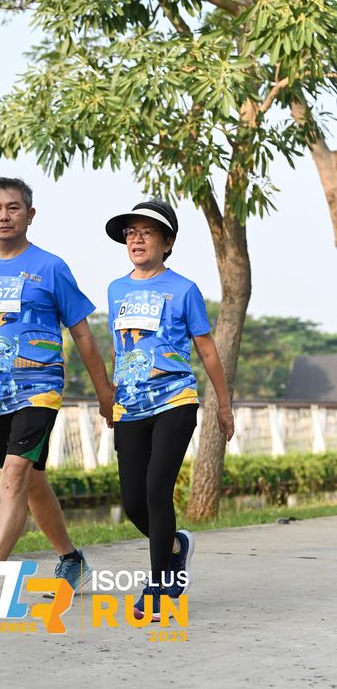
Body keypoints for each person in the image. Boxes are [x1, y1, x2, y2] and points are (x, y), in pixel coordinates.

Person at [0, 177, 113, 615]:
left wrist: (105, 393)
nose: (4, 215)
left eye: (13, 207)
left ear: (30, 215)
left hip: (40, 391)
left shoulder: (51, 267)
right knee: (30, 484)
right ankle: (72, 559)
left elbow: (83, 335)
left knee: (12, 477)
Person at [105, 199, 234, 621]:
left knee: (157, 489)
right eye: (131, 232)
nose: (137, 239)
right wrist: (111, 396)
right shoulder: (116, 289)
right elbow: (118, 348)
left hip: (174, 400)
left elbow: (207, 349)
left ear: (168, 242)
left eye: (147, 232)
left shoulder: (184, 289)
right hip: (130, 407)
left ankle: (158, 588)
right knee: (133, 502)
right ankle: (176, 546)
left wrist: (223, 405)